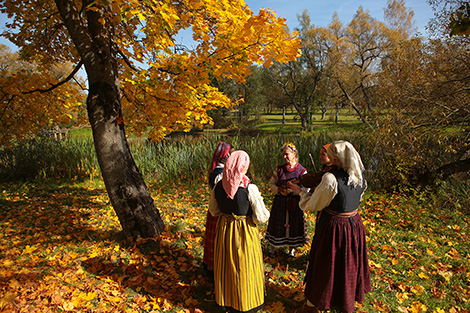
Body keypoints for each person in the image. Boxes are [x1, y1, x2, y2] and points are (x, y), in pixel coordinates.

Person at [289, 140, 371, 313]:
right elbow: (356, 199)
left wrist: (301, 192)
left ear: (337, 157)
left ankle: (311, 307)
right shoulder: (359, 175)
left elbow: (314, 204)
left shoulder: (330, 178)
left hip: (334, 227)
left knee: (325, 264)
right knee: (347, 264)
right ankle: (345, 303)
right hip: (354, 224)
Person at [209, 150, 270, 313]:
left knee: (226, 264)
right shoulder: (250, 188)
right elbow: (262, 217)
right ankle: (247, 301)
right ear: (244, 166)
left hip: (224, 230)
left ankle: (225, 300)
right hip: (244, 231)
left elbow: (214, 211)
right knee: (244, 265)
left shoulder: (217, 187)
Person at [265, 142, 308, 257]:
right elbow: (272, 183)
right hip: (280, 202)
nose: (284, 157)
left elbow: (306, 188)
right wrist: (279, 190)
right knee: (277, 223)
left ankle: (291, 250)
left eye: (287, 154)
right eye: (283, 155)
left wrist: (293, 191)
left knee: (294, 225)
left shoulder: (302, 171)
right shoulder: (280, 170)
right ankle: (273, 248)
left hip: (295, 203)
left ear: (294, 154)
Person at [203, 141, 234, 275]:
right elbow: (222, 193)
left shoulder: (217, 171)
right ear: (225, 156)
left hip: (215, 209)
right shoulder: (220, 174)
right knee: (217, 241)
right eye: (230, 154)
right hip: (219, 211)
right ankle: (215, 268)